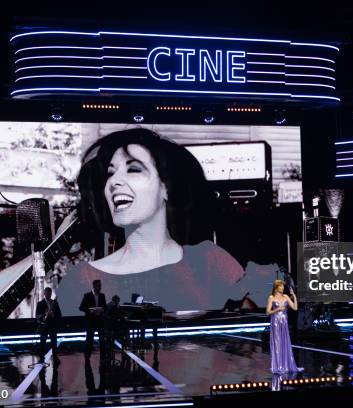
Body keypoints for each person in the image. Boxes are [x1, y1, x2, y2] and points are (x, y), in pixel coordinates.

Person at [66, 128, 246, 311]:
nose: (113, 181)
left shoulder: (211, 261)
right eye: (111, 173)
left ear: (166, 188)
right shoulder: (81, 279)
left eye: (134, 169)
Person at [266, 279, 302, 374]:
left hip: (284, 322)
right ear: (276, 288)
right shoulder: (271, 297)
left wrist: (294, 296)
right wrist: (277, 309)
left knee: (285, 342)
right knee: (277, 344)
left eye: (283, 287)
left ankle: (286, 365)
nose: (282, 288)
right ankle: (278, 366)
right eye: (280, 287)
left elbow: (295, 308)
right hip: (276, 322)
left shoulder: (286, 296)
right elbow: (268, 312)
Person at [79, 279, 107, 357]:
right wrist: (89, 311)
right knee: (89, 340)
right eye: (98, 286)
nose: (100, 287)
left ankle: (103, 356)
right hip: (91, 321)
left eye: (100, 285)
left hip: (100, 321)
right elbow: (81, 307)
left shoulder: (102, 295)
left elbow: (105, 307)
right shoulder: (87, 295)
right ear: (94, 286)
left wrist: (101, 310)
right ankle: (87, 356)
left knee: (102, 340)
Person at [36, 287, 62, 365]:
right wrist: (45, 314)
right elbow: (37, 316)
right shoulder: (40, 304)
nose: (48, 295)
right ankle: (41, 358)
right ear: (44, 294)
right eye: (47, 293)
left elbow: (59, 315)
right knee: (42, 343)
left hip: (52, 326)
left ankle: (55, 358)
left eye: (50, 293)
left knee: (54, 343)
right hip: (44, 326)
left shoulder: (54, 303)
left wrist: (53, 315)